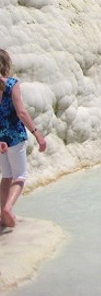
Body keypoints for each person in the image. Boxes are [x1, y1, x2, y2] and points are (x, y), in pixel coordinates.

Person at [0, 49, 47, 228]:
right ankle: (7, 209)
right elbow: (21, 112)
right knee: (19, 176)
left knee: (6, 176)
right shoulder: (12, 84)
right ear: (5, 64)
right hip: (15, 138)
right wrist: (37, 134)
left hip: (0, 139)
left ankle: (3, 214)